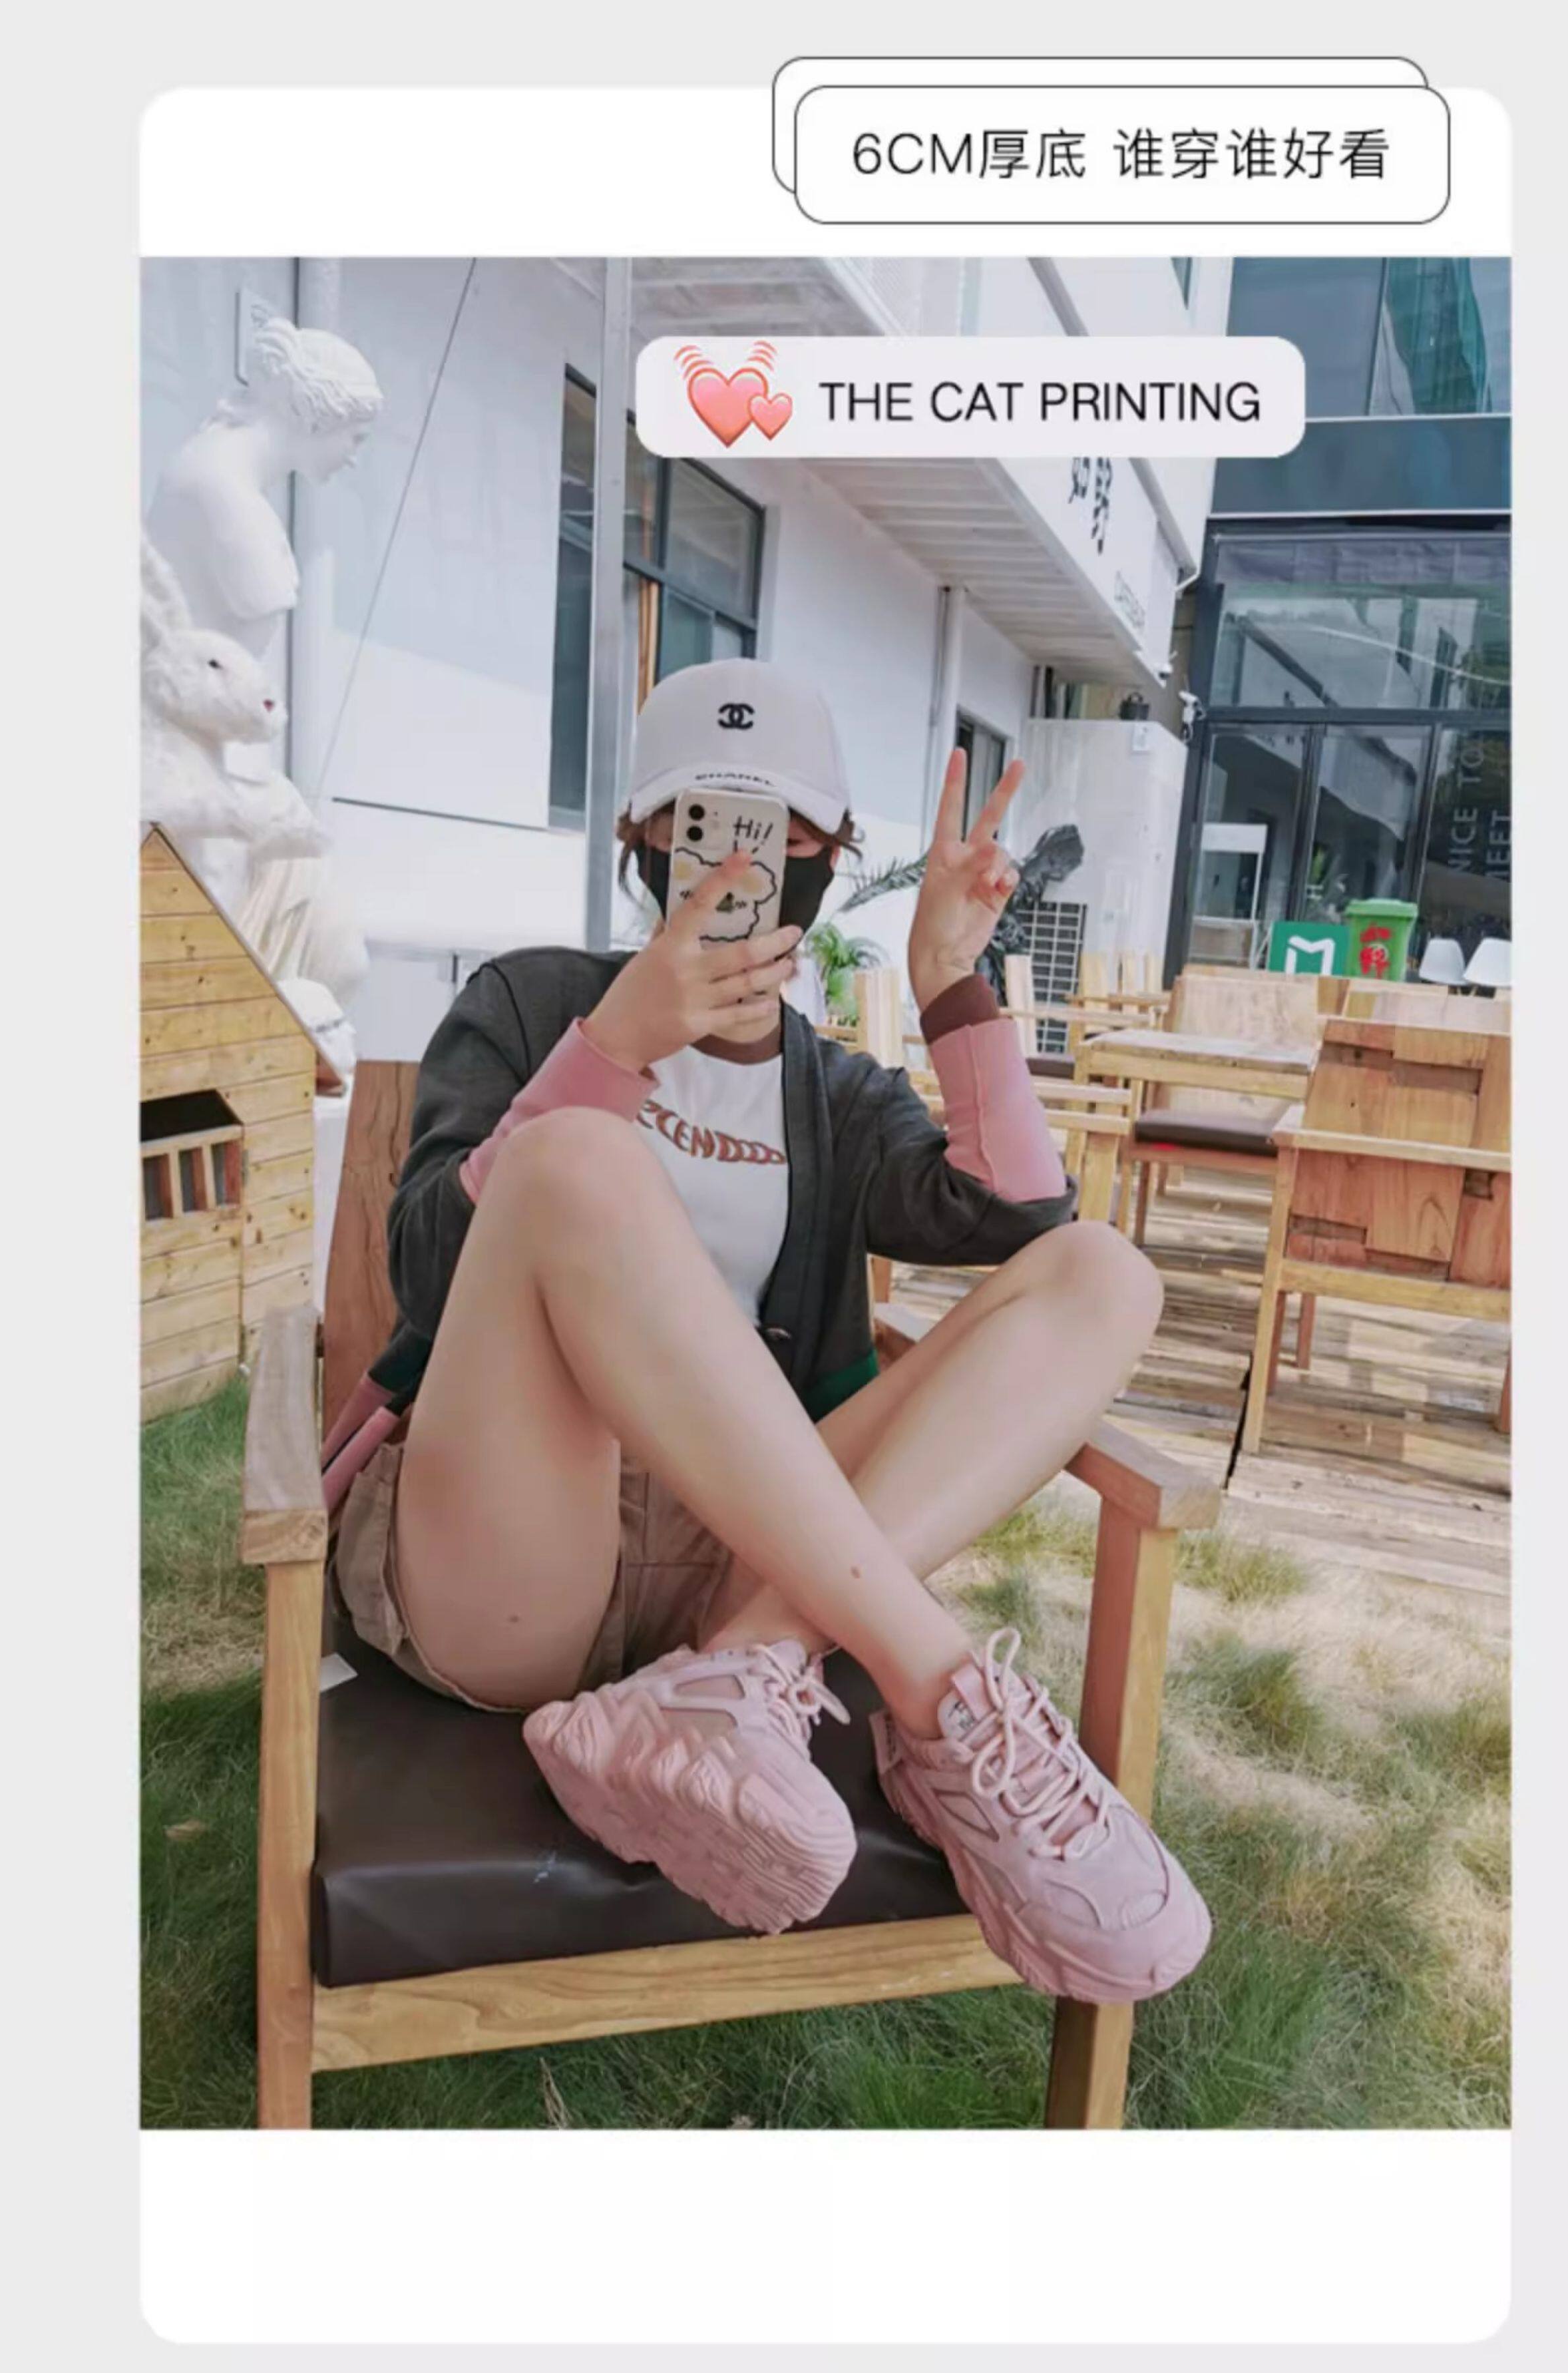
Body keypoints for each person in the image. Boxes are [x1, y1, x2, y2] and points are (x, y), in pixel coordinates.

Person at [329, 659, 1209, 2006]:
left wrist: (948, 981)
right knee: (574, 1162)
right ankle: (952, 1704)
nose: (742, 862)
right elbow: (430, 1280)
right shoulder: (528, 1005)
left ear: (830, 857)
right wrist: (609, 1050)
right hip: (511, 1552)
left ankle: (731, 1678)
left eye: (781, 830)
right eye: (705, 820)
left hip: (745, 1572)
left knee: (1105, 1274)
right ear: (640, 838)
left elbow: (1025, 1217)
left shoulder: (835, 1094)